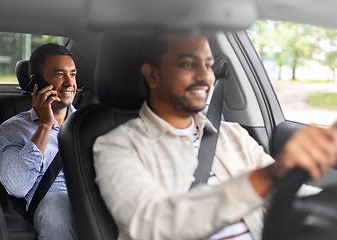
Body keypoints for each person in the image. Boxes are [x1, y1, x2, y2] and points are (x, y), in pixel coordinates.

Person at [93, 31, 337, 240]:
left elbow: (287, 192)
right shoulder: (116, 147)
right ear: (152, 75)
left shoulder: (233, 135)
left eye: (209, 65)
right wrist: (266, 177)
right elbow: (153, 225)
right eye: (188, 64)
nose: (205, 76)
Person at [0, 43, 77, 240]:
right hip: (53, 209)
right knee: (57, 205)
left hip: (95, 205)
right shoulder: (13, 129)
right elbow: (16, 187)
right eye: (59, 74)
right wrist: (45, 126)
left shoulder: (89, 124)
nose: (69, 82)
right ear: (36, 82)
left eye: (72, 74)